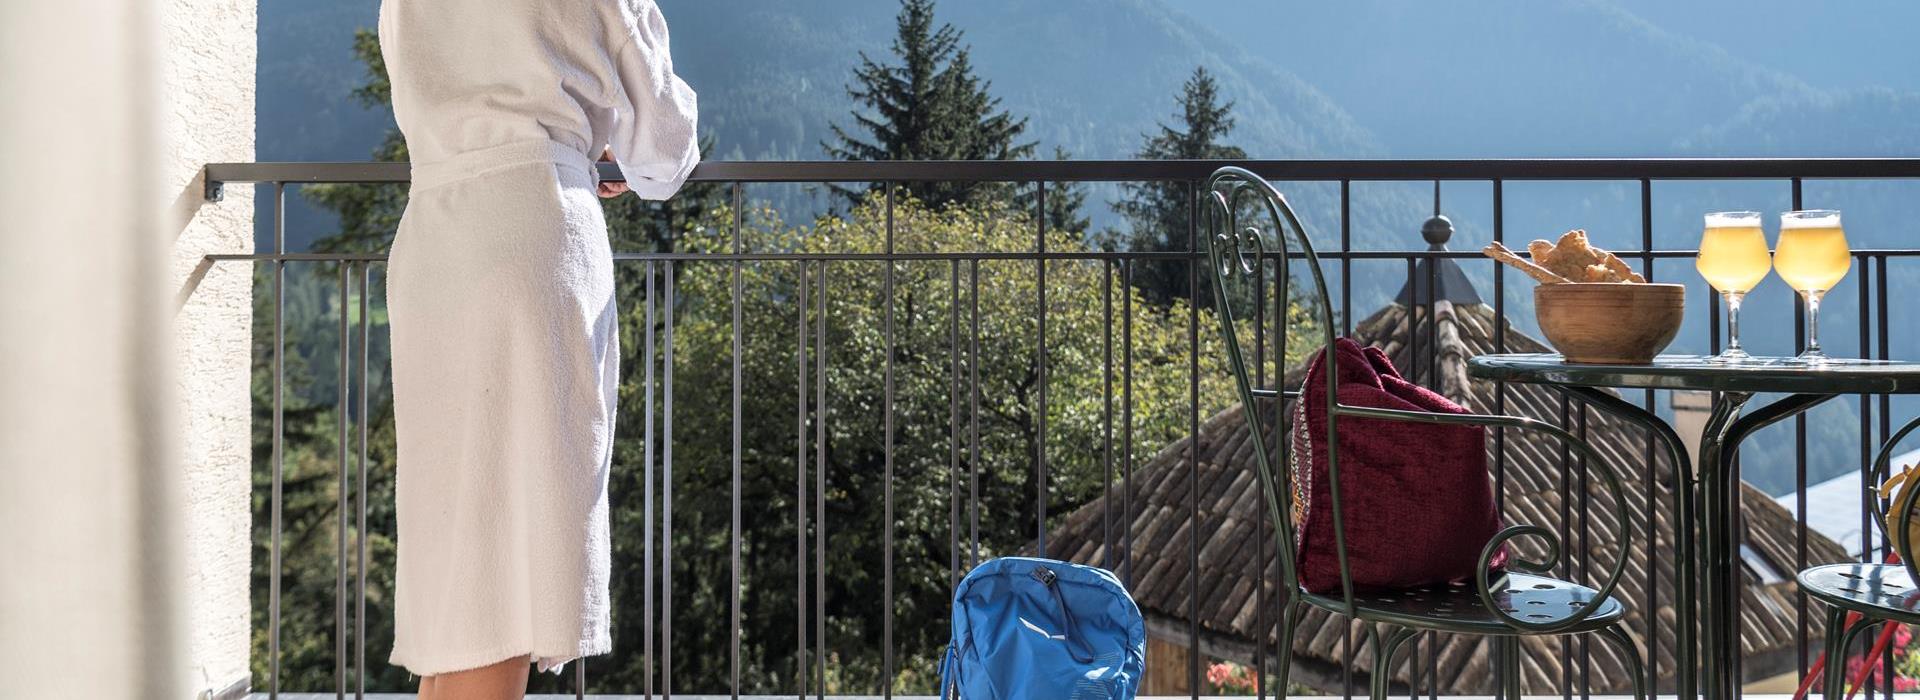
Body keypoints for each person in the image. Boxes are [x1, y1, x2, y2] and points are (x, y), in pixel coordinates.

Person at [376, 0, 699, 697]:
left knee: (463, 577)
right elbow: (665, 150)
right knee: (510, 589)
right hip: (534, 233)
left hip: (434, 239)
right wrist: (590, 148)